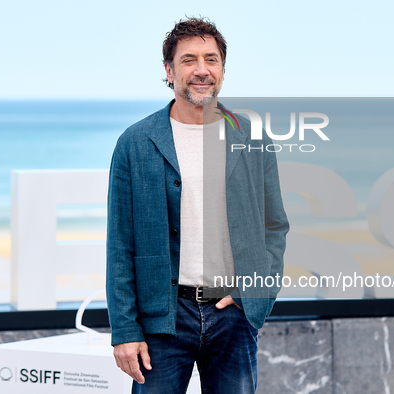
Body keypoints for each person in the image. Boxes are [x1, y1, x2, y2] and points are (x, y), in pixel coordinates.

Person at [106, 17, 289, 393]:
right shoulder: (136, 142)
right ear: (169, 71)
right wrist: (124, 330)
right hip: (163, 318)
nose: (201, 70)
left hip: (232, 317)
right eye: (189, 60)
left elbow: (275, 228)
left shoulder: (253, 139)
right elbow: (120, 244)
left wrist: (254, 295)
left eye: (212, 59)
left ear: (222, 70)